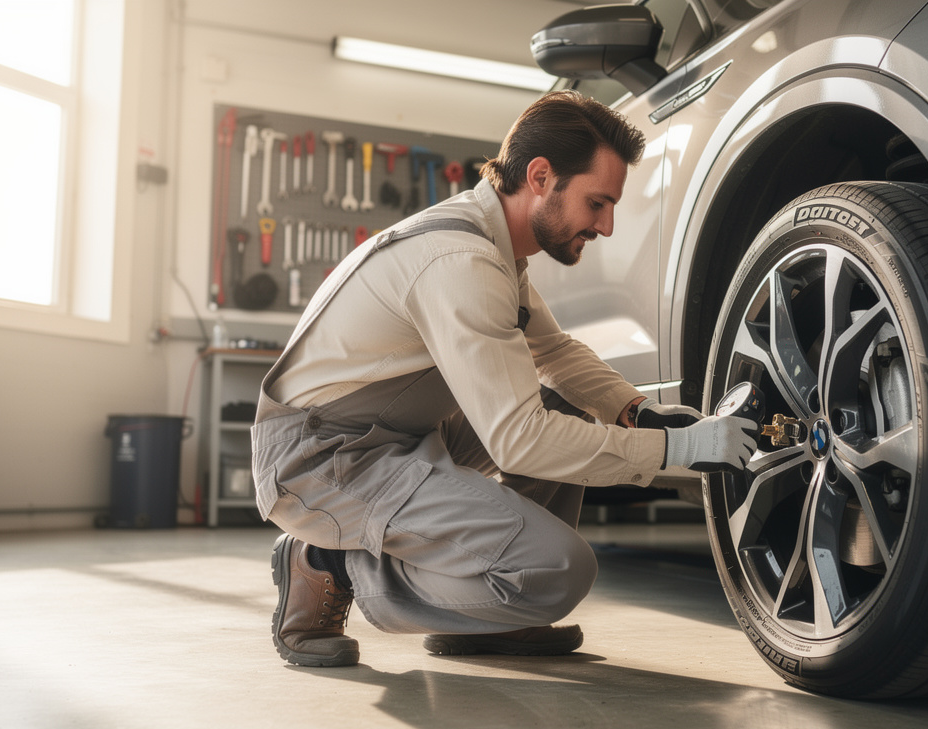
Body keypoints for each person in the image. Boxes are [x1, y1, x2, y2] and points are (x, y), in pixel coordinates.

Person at [251, 91, 757, 667]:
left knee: (562, 409)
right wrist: (678, 449)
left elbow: (554, 350)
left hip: (398, 428)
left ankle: (485, 619)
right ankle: (326, 562)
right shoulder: (459, 262)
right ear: (541, 177)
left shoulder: (491, 246)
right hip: (322, 456)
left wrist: (636, 412)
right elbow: (518, 439)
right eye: (598, 202)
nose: (607, 225)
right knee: (562, 570)